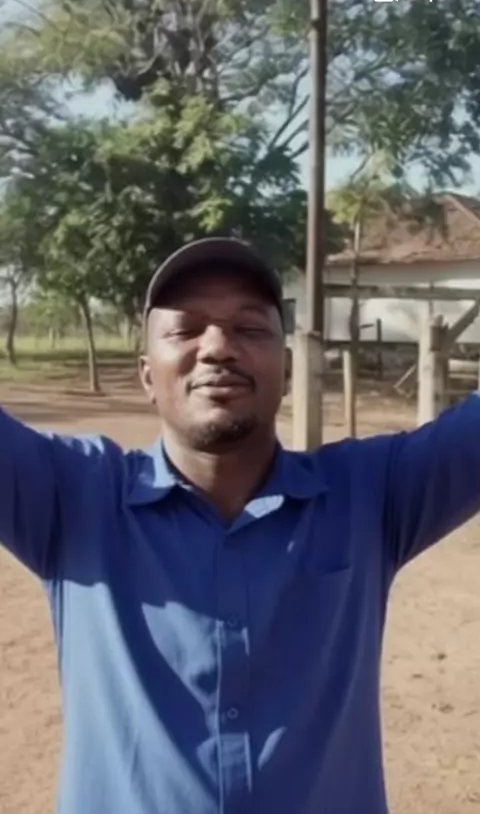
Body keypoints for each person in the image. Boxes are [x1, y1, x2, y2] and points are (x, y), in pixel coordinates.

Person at [1, 236, 480, 814]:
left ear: (288, 366)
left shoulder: (368, 495)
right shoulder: (72, 496)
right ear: (147, 375)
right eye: (185, 329)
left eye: (249, 328)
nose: (217, 347)